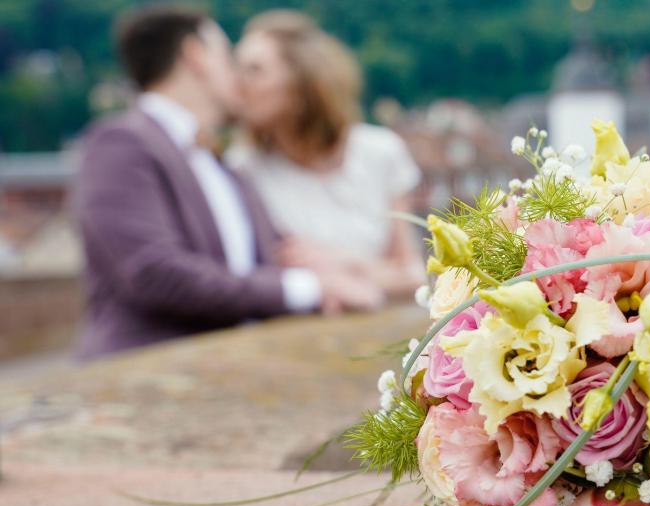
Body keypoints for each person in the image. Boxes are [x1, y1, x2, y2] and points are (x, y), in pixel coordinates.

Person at [71, 5, 381, 360]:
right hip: (144, 378)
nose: (237, 76)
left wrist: (339, 269)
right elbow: (153, 271)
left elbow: (276, 254)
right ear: (196, 56)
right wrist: (308, 288)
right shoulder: (121, 141)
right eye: (227, 56)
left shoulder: (223, 163)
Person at [228, 10, 425, 299]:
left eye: (255, 70)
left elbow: (413, 277)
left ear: (301, 80)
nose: (238, 84)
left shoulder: (381, 152)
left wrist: (345, 263)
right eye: (237, 69)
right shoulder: (242, 167)